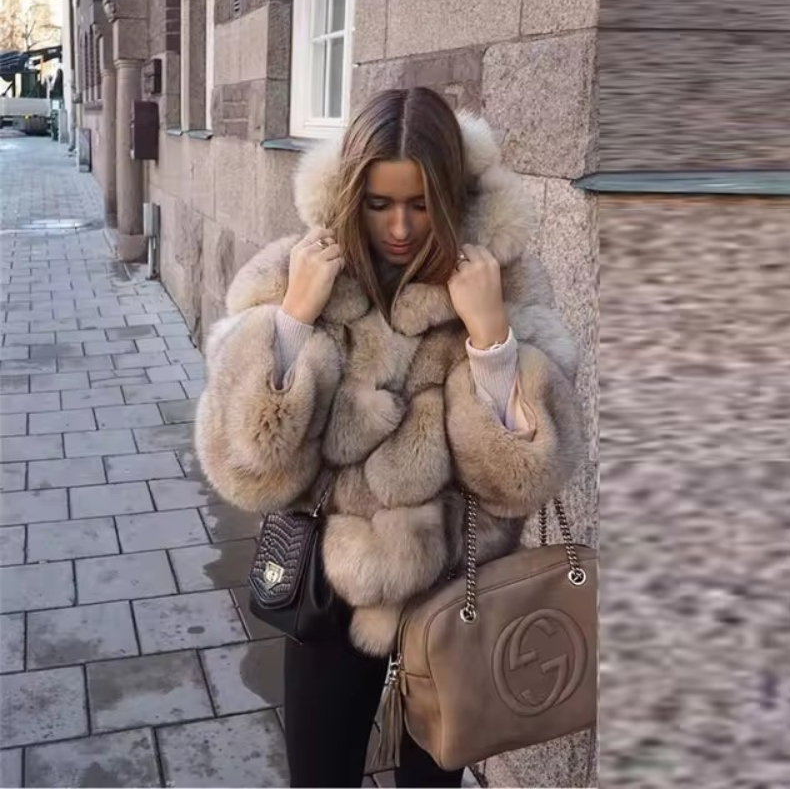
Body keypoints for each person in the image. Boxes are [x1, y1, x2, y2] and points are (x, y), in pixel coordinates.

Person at [195, 87, 584, 788]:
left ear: (452, 195)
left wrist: (491, 339)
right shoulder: (297, 269)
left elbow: (523, 478)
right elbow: (246, 467)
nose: (400, 227)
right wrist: (294, 318)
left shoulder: (502, 280)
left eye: (420, 204)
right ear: (351, 194)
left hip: (456, 590)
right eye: (378, 204)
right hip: (335, 587)